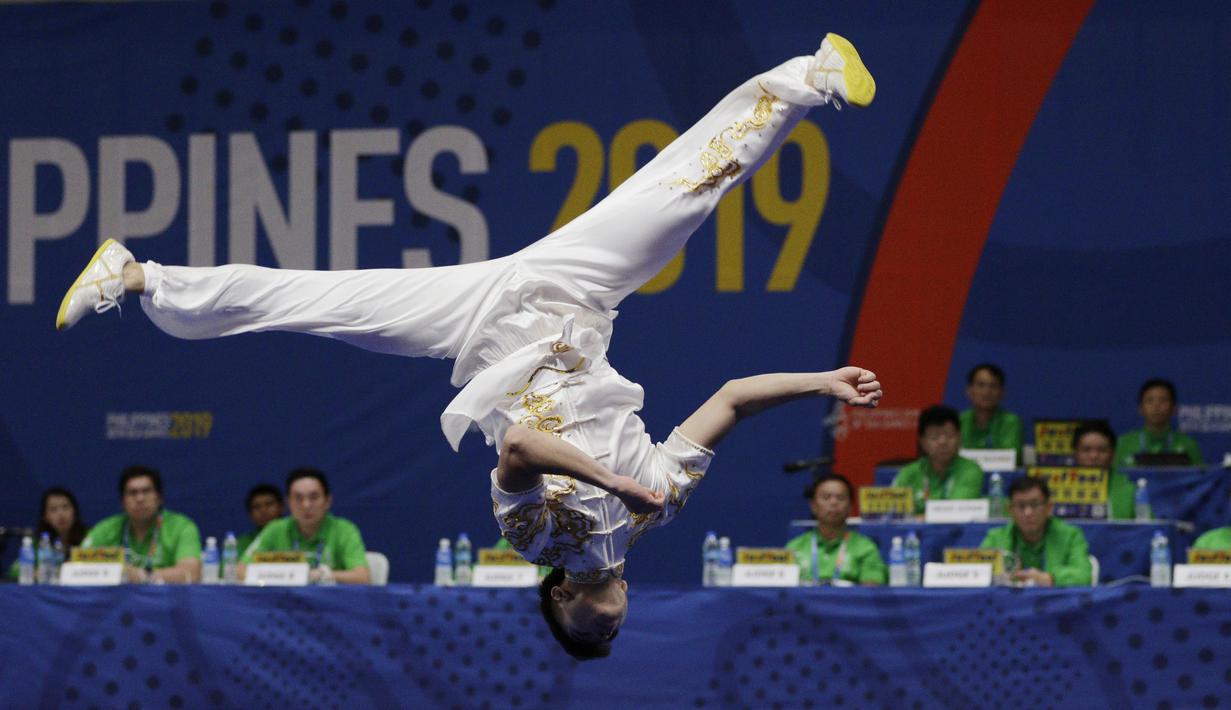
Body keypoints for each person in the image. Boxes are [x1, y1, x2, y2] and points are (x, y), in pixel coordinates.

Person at [57, 33, 879, 656]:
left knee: (310, 300)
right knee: (683, 194)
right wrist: (820, 381)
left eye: (591, 632)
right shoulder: (660, 505)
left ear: (559, 599)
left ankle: (135, 276)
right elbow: (732, 398)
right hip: (574, 297)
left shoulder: (534, 538)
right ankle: (811, 75)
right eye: (613, 634)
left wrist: (611, 481)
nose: (609, 624)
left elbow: (518, 445)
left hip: (477, 328)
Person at [240, 468, 370, 584]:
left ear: (327, 501)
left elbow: (362, 577)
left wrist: (323, 575)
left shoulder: (344, 530)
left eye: (314, 497)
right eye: (298, 498)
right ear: (289, 503)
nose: (306, 505)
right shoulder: (274, 529)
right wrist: (286, 575)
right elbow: (240, 571)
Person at [82, 466, 203, 584]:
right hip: (116, 597)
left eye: (146, 491)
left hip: (167, 597)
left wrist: (142, 576)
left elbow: (191, 574)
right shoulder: (107, 529)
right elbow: (79, 564)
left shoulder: (181, 527)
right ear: (123, 502)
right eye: (132, 493)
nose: (140, 498)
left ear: (159, 498)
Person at [979, 477, 1092, 587]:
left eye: (1035, 505)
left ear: (1049, 507)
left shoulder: (1070, 536)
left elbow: (1084, 575)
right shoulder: (995, 538)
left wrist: (1051, 578)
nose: (1028, 512)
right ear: (1010, 509)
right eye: (1021, 506)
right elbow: (978, 574)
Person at [785, 473, 886, 585]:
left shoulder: (866, 549)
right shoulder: (794, 548)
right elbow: (782, 590)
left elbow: (871, 590)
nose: (833, 502)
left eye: (841, 498)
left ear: (850, 507)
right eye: (826, 497)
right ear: (813, 506)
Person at [892, 405, 984, 514]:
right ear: (923, 442)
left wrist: (919, 518)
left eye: (949, 435)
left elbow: (955, 511)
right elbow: (893, 512)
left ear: (959, 438)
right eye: (934, 437)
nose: (943, 442)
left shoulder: (970, 470)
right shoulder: (909, 473)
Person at [1114, 378, 1203, 467]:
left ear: (1174, 408)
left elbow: (1200, 475)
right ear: (1140, 408)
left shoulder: (1189, 445)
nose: (1156, 406)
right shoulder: (1123, 444)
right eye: (1150, 400)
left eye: (1163, 400)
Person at [6, 486, 89, 581]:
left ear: (74, 511)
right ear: (45, 517)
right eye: (53, 509)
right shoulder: (38, 542)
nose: (61, 514)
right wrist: (34, 573)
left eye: (65, 507)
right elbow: (14, 571)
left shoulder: (90, 537)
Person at [959, 363, 1023, 463]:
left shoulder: (1011, 422)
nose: (986, 392)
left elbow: (1010, 458)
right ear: (969, 391)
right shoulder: (959, 421)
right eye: (981, 385)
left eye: (993, 386)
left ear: (1002, 393)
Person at [1071, 420, 1135, 520]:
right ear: (1075, 453)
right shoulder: (1058, 486)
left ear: (1113, 453)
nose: (1094, 456)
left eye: (1102, 450)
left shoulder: (1131, 486)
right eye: (1086, 450)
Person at [235, 483, 285, 555]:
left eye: (269, 504)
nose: (263, 511)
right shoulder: (242, 543)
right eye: (257, 507)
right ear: (250, 514)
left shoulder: (294, 536)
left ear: (281, 507)